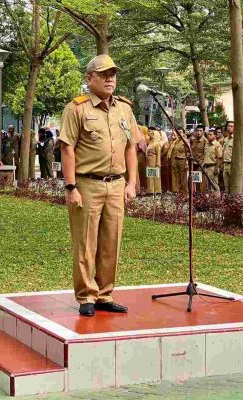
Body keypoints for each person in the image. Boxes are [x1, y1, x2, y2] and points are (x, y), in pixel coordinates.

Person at [59, 54, 141, 317]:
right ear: (89, 78)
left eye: (113, 74)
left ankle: (105, 294)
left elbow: (131, 147)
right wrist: (71, 187)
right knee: (85, 243)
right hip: (87, 184)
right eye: (104, 74)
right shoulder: (77, 108)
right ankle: (86, 296)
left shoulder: (124, 108)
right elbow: (67, 148)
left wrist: (132, 183)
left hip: (116, 185)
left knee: (111, 242)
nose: (110, 79)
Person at [168, 127, 188, 196]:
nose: (179, 133)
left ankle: (185, 194)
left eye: (181, 132)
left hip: (183, 160)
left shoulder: (185, 141)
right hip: (175, 161)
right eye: (178, 132)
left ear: (183, 133)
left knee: (183, 179)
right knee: (176, 178)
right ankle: (178, 193)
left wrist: (187, 163)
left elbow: (188, 153)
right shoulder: (176, 141)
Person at [190, 125, 207, 192]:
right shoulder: (193, 140)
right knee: (196, 182)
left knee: (202, 184)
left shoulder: (205, 141)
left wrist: (203, 164)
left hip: (202, 164)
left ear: (203, 132)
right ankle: (197, 197)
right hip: (194, 164)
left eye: (200, 131)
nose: (198, 132)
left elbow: (206, 154)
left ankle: (202, 197)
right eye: (197, 130)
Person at [146, 129, 162, 194]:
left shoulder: (157, 144)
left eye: (153, 134)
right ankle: (150, 190)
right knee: (150, 176)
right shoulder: (150, 143)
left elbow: (158, 154)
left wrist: (158, 164)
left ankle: (157, 190)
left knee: (156, 176)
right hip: (149, 161)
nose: (151, 135)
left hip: (154, 161)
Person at [222, 121, 234, 192]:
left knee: (233, 185)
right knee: (226, 186)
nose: (229, 128)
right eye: (228, 126)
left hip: (232, 164)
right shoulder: (225, 139)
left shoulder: (236, 139)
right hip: (225, 164)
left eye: (232, 126)